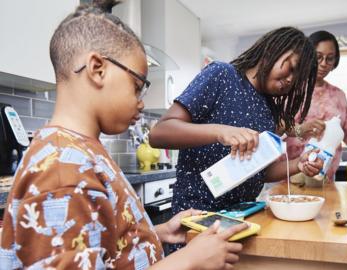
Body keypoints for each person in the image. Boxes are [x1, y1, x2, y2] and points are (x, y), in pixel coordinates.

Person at [0, 1, 246, 269]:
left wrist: (157, 233)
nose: (141, 101)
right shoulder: (61, 170)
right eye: (137, 85)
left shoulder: (78, 152)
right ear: (97, 69)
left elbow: (103, 242)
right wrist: (188, 260)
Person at [149, 27, 322, 217]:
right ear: (272, 50)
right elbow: (158, 134)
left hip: (241, 217)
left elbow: (259, 171)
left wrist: (298, 165)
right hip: (196, 217)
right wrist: (220, 131)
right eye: (291, 69)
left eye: (297, 80)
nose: (290, 80)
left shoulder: (270, 108)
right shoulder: (221, 75)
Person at [284, 30, 347, 184]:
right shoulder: (290, 90)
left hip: (326, 179)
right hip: (291, 179)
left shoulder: (338, 95)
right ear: (307, 56)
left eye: (330, 59)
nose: (324, 63)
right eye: (318, 57)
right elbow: (276, 130)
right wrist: (302, 129)